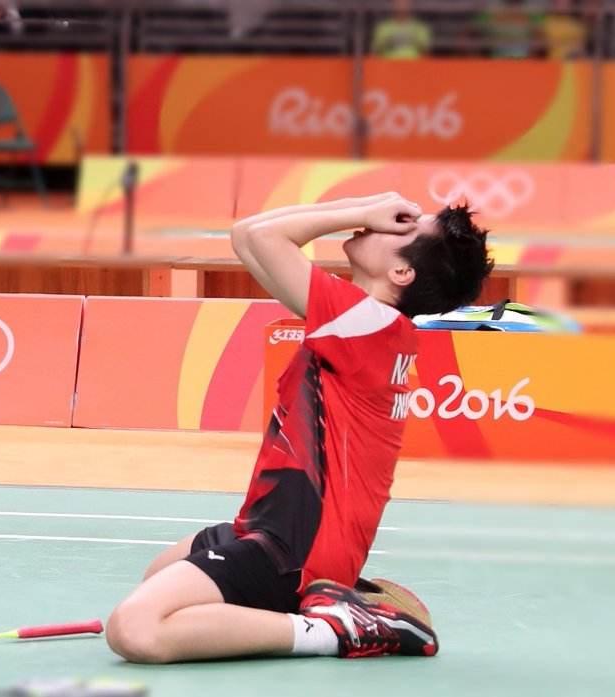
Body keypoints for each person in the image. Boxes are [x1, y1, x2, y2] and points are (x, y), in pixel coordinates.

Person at [106, 193, 493, 662]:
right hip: (270, 529)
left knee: (135, 629)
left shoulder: (366, 325)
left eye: (405, 226)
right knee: (160, 578)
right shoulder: (373, 327)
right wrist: (368, 207)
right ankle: (323, 609)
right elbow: (245, 235)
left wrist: (359, 212)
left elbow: (263, 237)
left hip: (296, 551)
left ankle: (334, 629)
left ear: (402, 274)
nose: (386, 223)